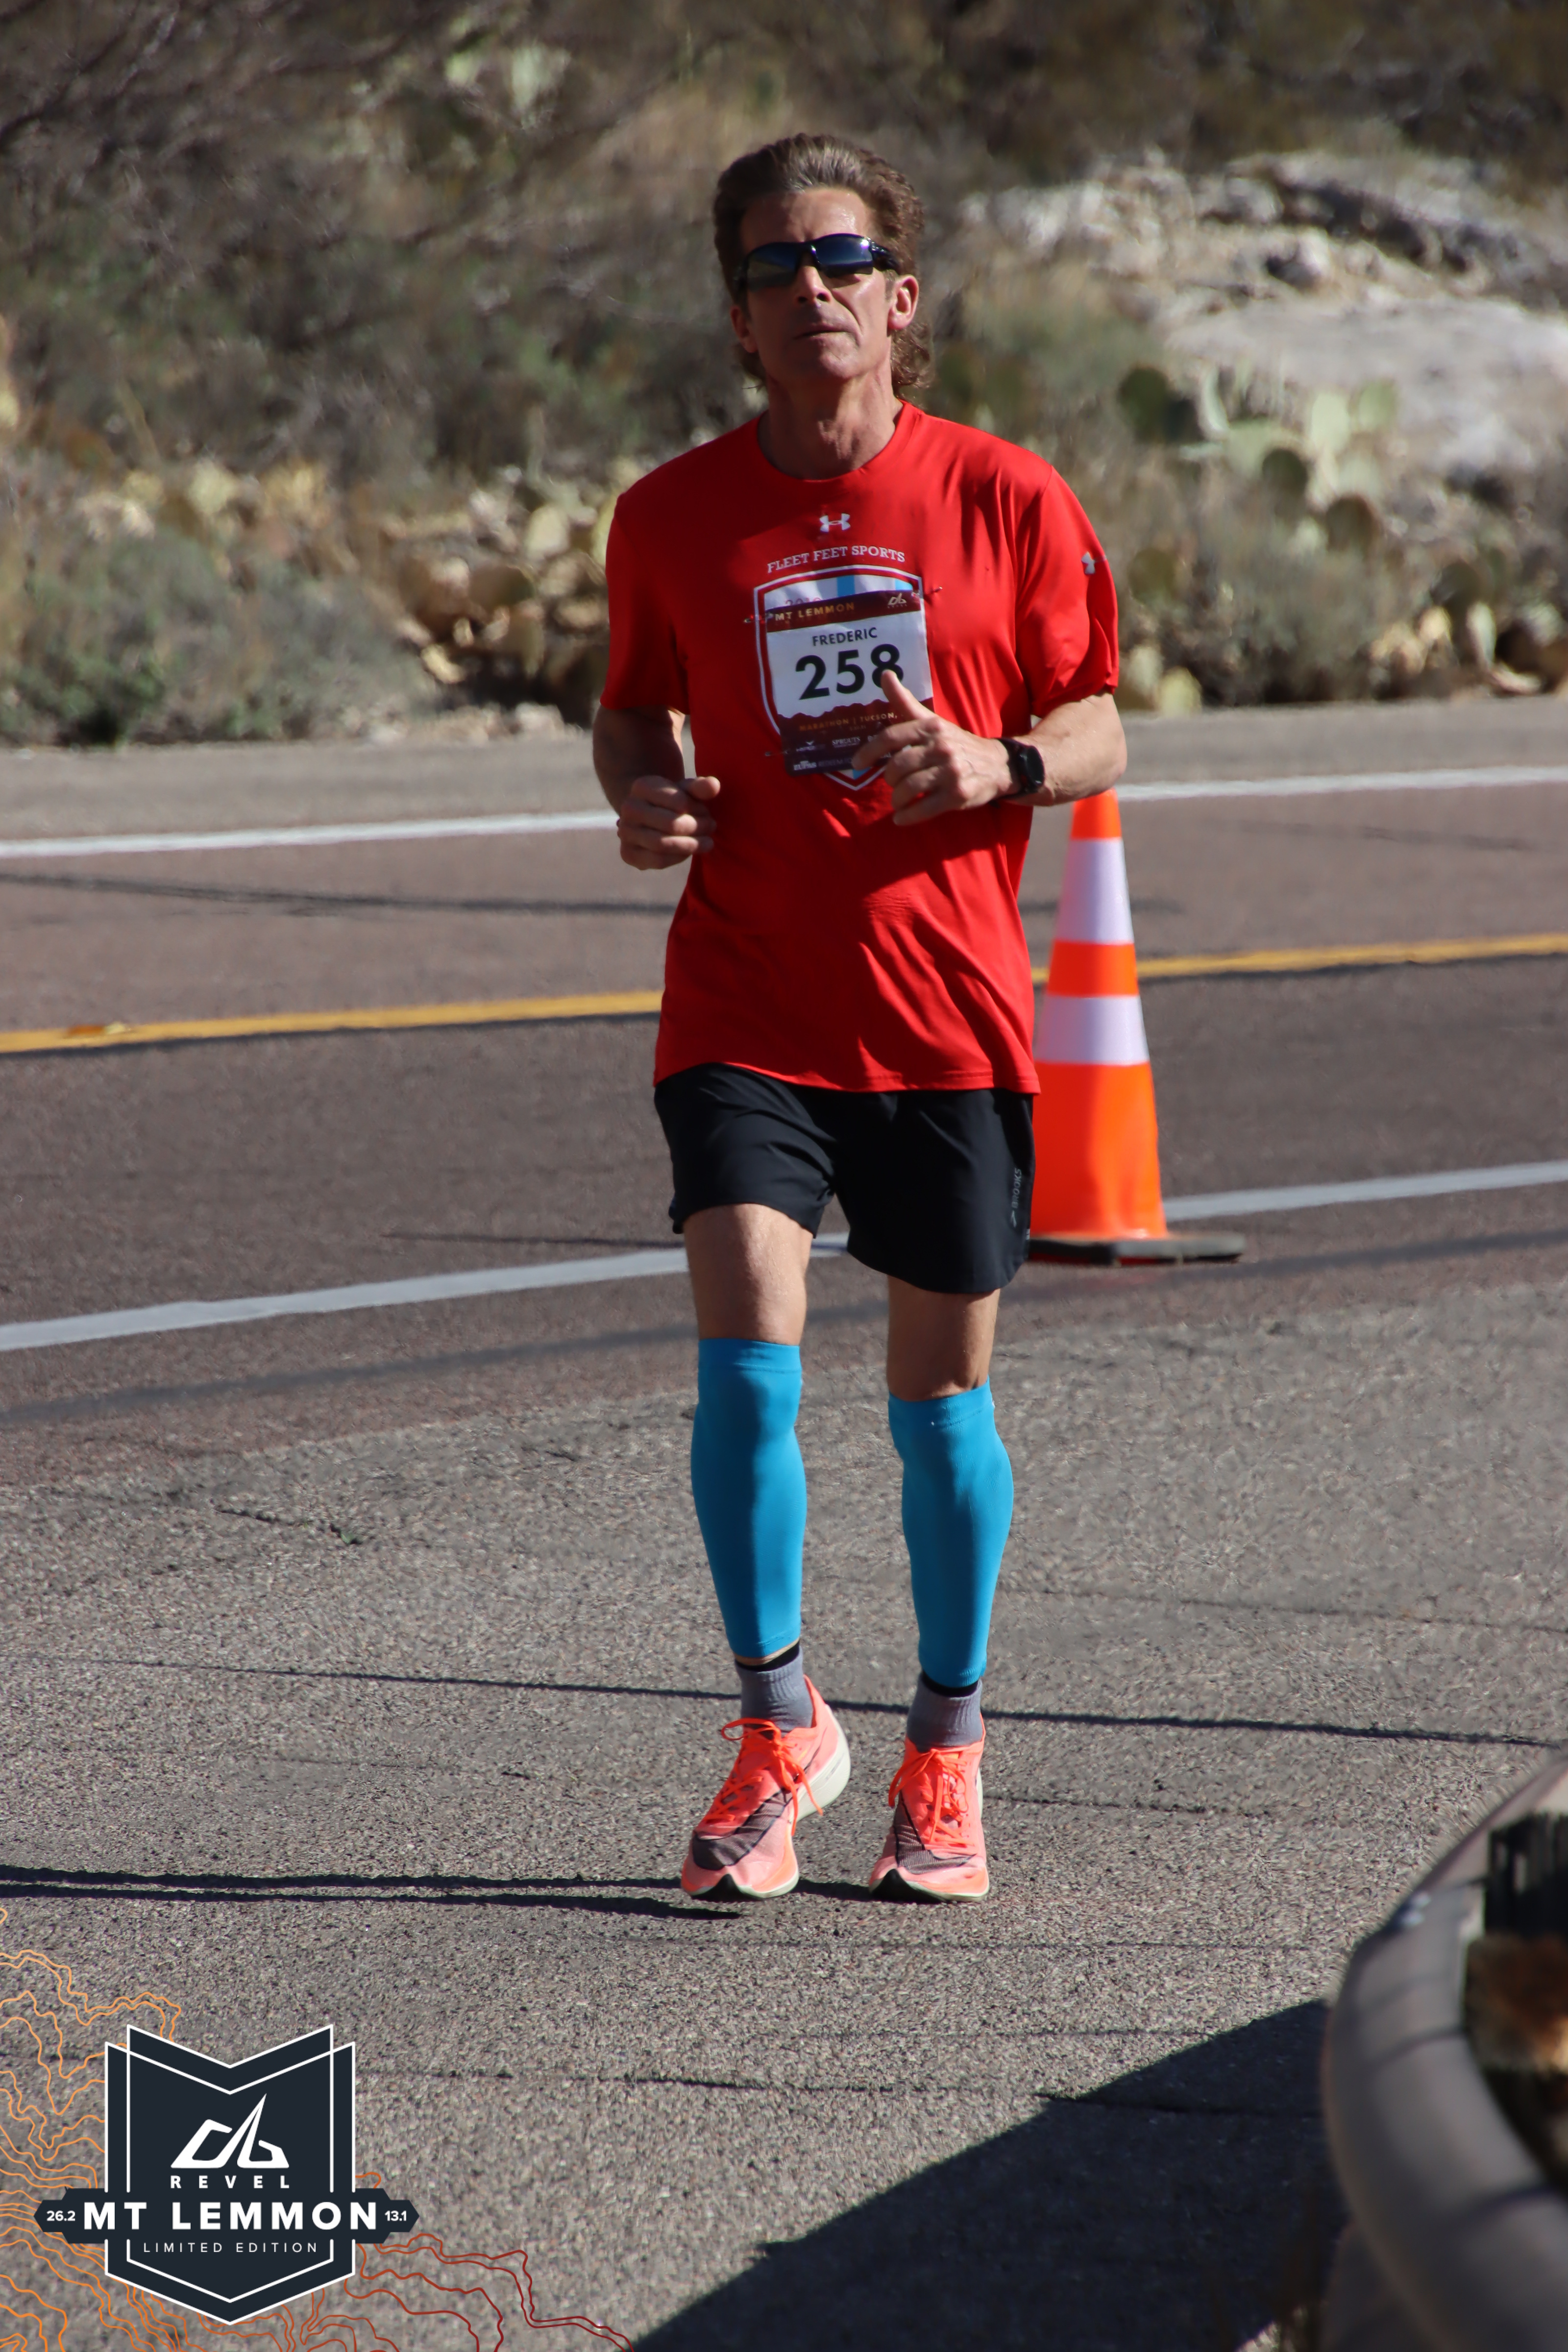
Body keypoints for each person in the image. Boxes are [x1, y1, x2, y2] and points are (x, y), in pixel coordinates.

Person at [592, 131, 1125, 1903]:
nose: (807, 287)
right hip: (743, 998)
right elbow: (629, 709)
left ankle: (945, 1747)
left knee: (937, 1404)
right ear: (739, 315)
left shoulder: (1007, 497)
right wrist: (642, 792)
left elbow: (1101, 720)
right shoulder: (670, 515)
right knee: (744, 1354)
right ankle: (778, 1724)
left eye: (838, 259)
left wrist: (1003, 762)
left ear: (900, 299)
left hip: (946, 1012)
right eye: (771, 266)